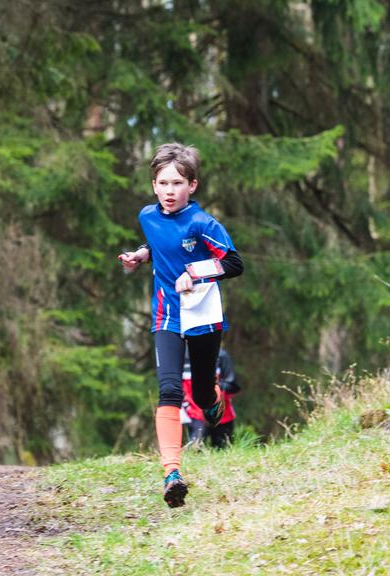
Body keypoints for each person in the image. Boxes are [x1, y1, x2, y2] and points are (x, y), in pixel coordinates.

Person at [118, 143, 243, 508]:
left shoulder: (204, 223)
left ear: (193, 185)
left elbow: (234, 263)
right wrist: (141, 255)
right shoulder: (147, 216)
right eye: (162, 183)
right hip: (166, 315)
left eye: (177, 183)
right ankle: (172, 473)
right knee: (170, 390)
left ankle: (215, 399)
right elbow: (160, 242)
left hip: (203, 315)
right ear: (153, 185)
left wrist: (196, 272)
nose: (169, 191)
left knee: (203, 395)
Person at [183, 347, 240, 448]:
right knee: (195, 451)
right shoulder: (180, 357)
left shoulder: (221, 355)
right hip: (194, 415)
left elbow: (233, 386)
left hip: (222, 416)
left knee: (224, 452)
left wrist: (213, 386)